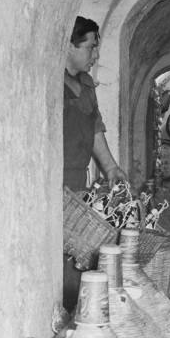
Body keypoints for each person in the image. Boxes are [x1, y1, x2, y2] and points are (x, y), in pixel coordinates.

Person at [63, 16, 126, 310]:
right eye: (90, 48)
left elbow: (95, 127)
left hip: (78, 181)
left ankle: (78, 309)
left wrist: (111, 167)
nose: (96, 55)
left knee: (79, 251)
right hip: (56, 183)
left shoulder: (86, 84)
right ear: (69, 46)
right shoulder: (52, 84)